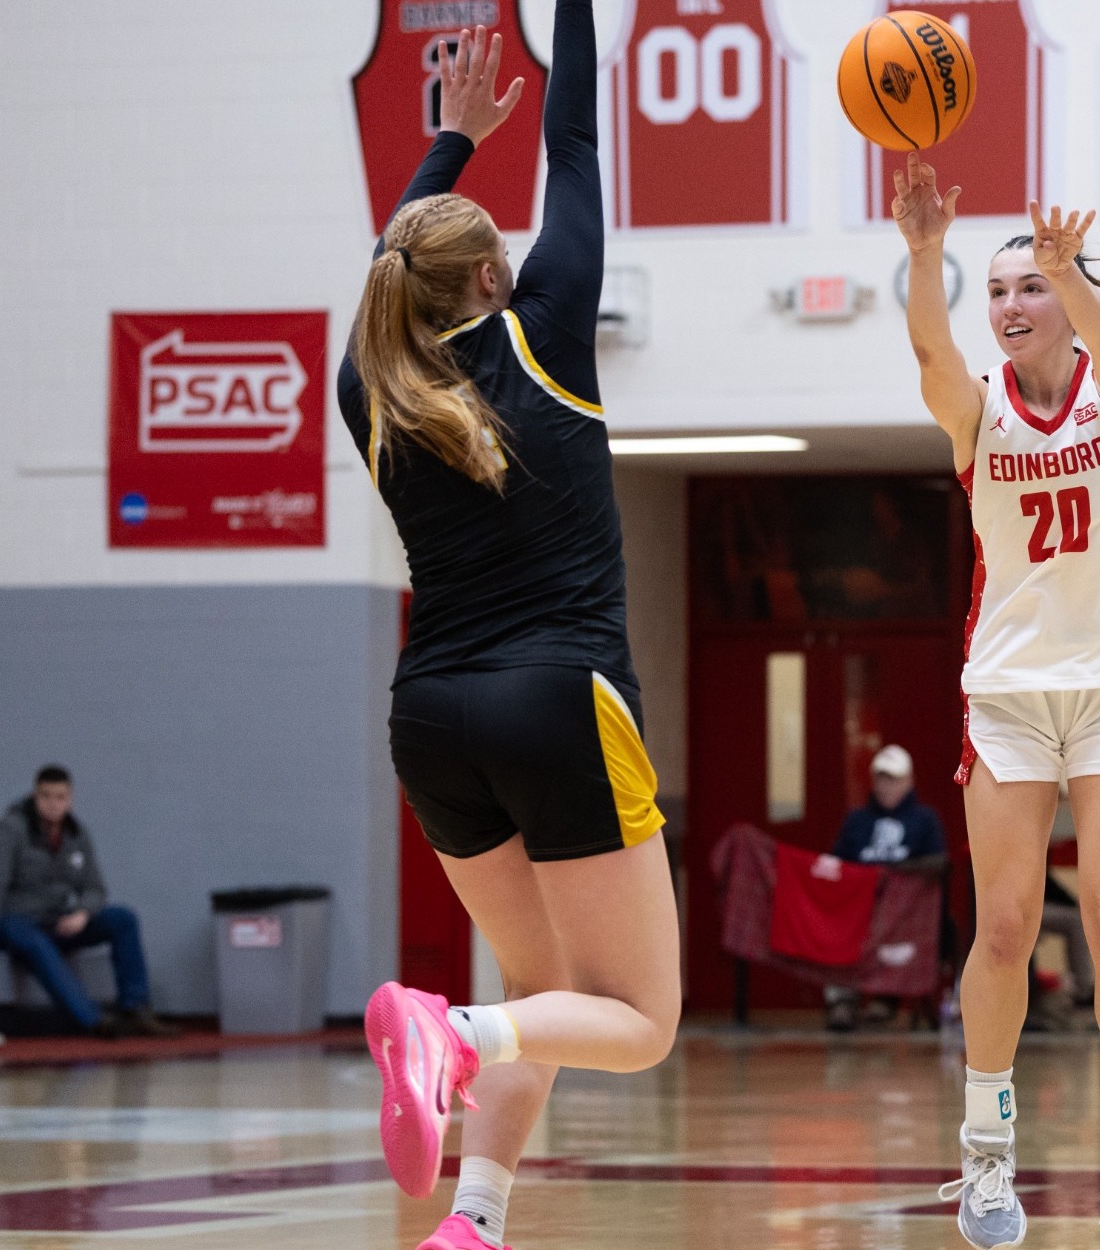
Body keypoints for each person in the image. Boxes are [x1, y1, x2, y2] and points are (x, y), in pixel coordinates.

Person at [337, 15, 678, 1250]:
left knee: (541, 991)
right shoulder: (544, 331)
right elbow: (574, 141)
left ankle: (471, 1219)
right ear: (494, 277)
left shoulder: (369, 386)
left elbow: (394, 262)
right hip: (555, 700)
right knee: (637, 1021)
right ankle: (452, 1032)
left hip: (432, 714)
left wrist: (450, 144)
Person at [894, 151, 1100, 1250]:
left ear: (1066, 298)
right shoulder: (977, 413)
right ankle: (984, 1153)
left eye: (1031, 286)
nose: (1011, 304)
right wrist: (926, 254)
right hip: (1008, 695)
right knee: (1006, 924)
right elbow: (931, 350)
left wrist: (1074, 275)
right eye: (999, 289)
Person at [0, 766, 176, 1038]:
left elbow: (95, 888)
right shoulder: (9, 830)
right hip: (16, 923)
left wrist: (83, 913)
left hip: (58, 919)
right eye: (46, 796)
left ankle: (135, 1008)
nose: (53, 804)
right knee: (36, 942)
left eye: (60, 797)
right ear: (35, 796)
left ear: (70, 800)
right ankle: (93, 1020)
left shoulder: (76, 834)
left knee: (123, 919)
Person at [825, 745, 948, 1032]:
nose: (886, 786)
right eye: (881, 778)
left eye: (893, 779)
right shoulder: (857, 821)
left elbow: (939, 863)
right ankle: (843, 1000)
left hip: (906, 916)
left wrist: (890, 875)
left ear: (909, 781)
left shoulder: (925, 820)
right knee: (834, 922)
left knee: (906, 919)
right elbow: (837, 864)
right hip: (859, 912)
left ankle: (886, 996)